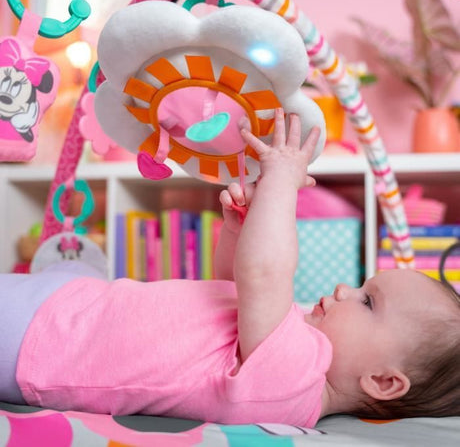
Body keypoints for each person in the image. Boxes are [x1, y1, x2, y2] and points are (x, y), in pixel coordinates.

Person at [0, 109, 459, 427]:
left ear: (382, 382)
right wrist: (240, 233)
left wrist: (282, 180)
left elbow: (263, 275)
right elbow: (235, 290)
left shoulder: (294, 383)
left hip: (45, 344)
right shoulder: (286, 349)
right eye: (361, 286)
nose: (344, 289)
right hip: (69, 311)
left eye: (368, 302)